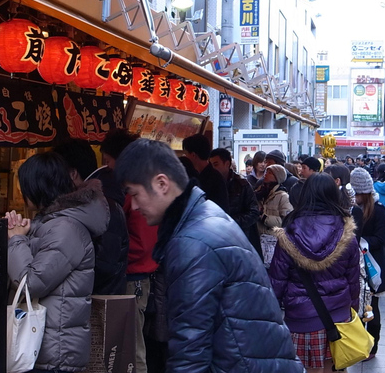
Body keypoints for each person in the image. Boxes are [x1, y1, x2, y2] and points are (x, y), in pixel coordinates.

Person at [114, 139, 304, 372]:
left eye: (134, 194)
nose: (132, 206)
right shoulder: (203, 215)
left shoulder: (192, 242)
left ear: (162, 183)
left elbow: (190, 352)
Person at [7, 152, 110, 373]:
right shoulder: (54, 222)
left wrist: (16, 240)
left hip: (57, 353)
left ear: (37, 187)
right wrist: (23, 234)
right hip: (49, 345)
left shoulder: (66, 228)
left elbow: (31, 283)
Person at [268, 174, 361, 373]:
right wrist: (353, 310)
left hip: (301, 318)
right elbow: (353, 280)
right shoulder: (347, 234)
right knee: (336, 368)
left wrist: (271, 318)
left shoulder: (288, 233)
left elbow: (277, 281)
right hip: (338, 316)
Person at [99, 129, 157, 373]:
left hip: (134, 277)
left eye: (108, 160)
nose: (107, 167)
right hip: (135, 274)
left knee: (133, 348)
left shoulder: (139, 188)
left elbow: (142, 243)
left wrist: (114, 255)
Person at [53, 139, 129, 296]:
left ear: (73, 173)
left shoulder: (103, 204)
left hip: (101, 301)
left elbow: (106, 264)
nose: (55, 180)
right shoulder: (95, 198)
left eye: (57, 173)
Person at [352, 167, 385, 361]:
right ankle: (358, 345)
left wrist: (362, 242)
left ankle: (372, 347)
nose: (355, 196)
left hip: (373, 265)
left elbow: (381, 239)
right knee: (357, 307)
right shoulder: (352, 208)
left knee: (372, 307)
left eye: (357, 193)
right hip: (356, 265)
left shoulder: (378, 209)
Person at [208, 147, 262, 255]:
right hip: (214, 238)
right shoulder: (209, 184)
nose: (212, 169)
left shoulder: (242, 185)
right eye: (211, 165)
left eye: (216, 164)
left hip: (239, 239)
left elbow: (254, 212)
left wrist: (231, 222)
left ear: (227, 164)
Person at [257, 164, 294, 266]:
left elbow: (286, 221)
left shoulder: (283, 196)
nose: (266, 174)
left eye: (270, 173)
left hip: (273, 241)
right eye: (266, 172)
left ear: (277, 177)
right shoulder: (260, 192)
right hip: (258, 238)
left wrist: (264, 217)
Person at [182, 134, 229, 212]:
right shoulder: (200, 175)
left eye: (186, 153)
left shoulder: (214, 178)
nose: (185, 156)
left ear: (193, 155)